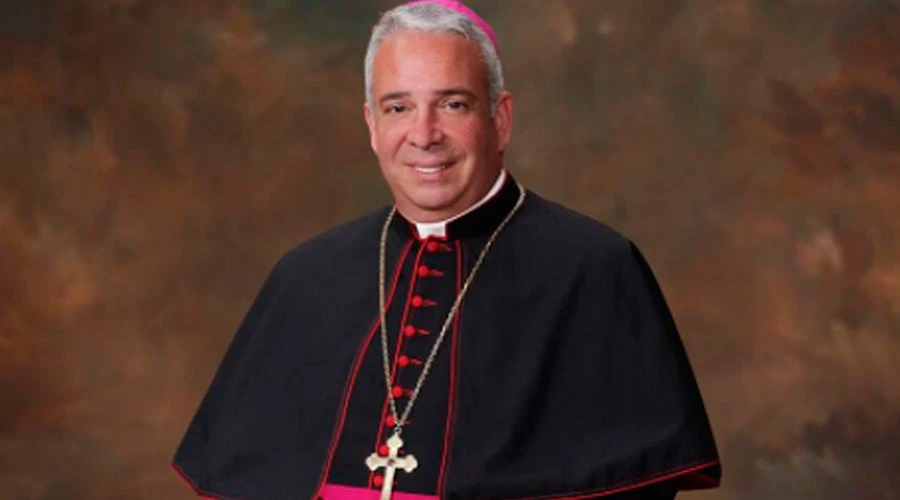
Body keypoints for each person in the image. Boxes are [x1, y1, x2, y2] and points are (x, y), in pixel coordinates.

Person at [172, 1, 722, 499]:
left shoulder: (595, 270)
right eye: (398, 108)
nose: (424, 134)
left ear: (500, 120)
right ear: (371, 125)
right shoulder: (305, 276)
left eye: (453, 104)